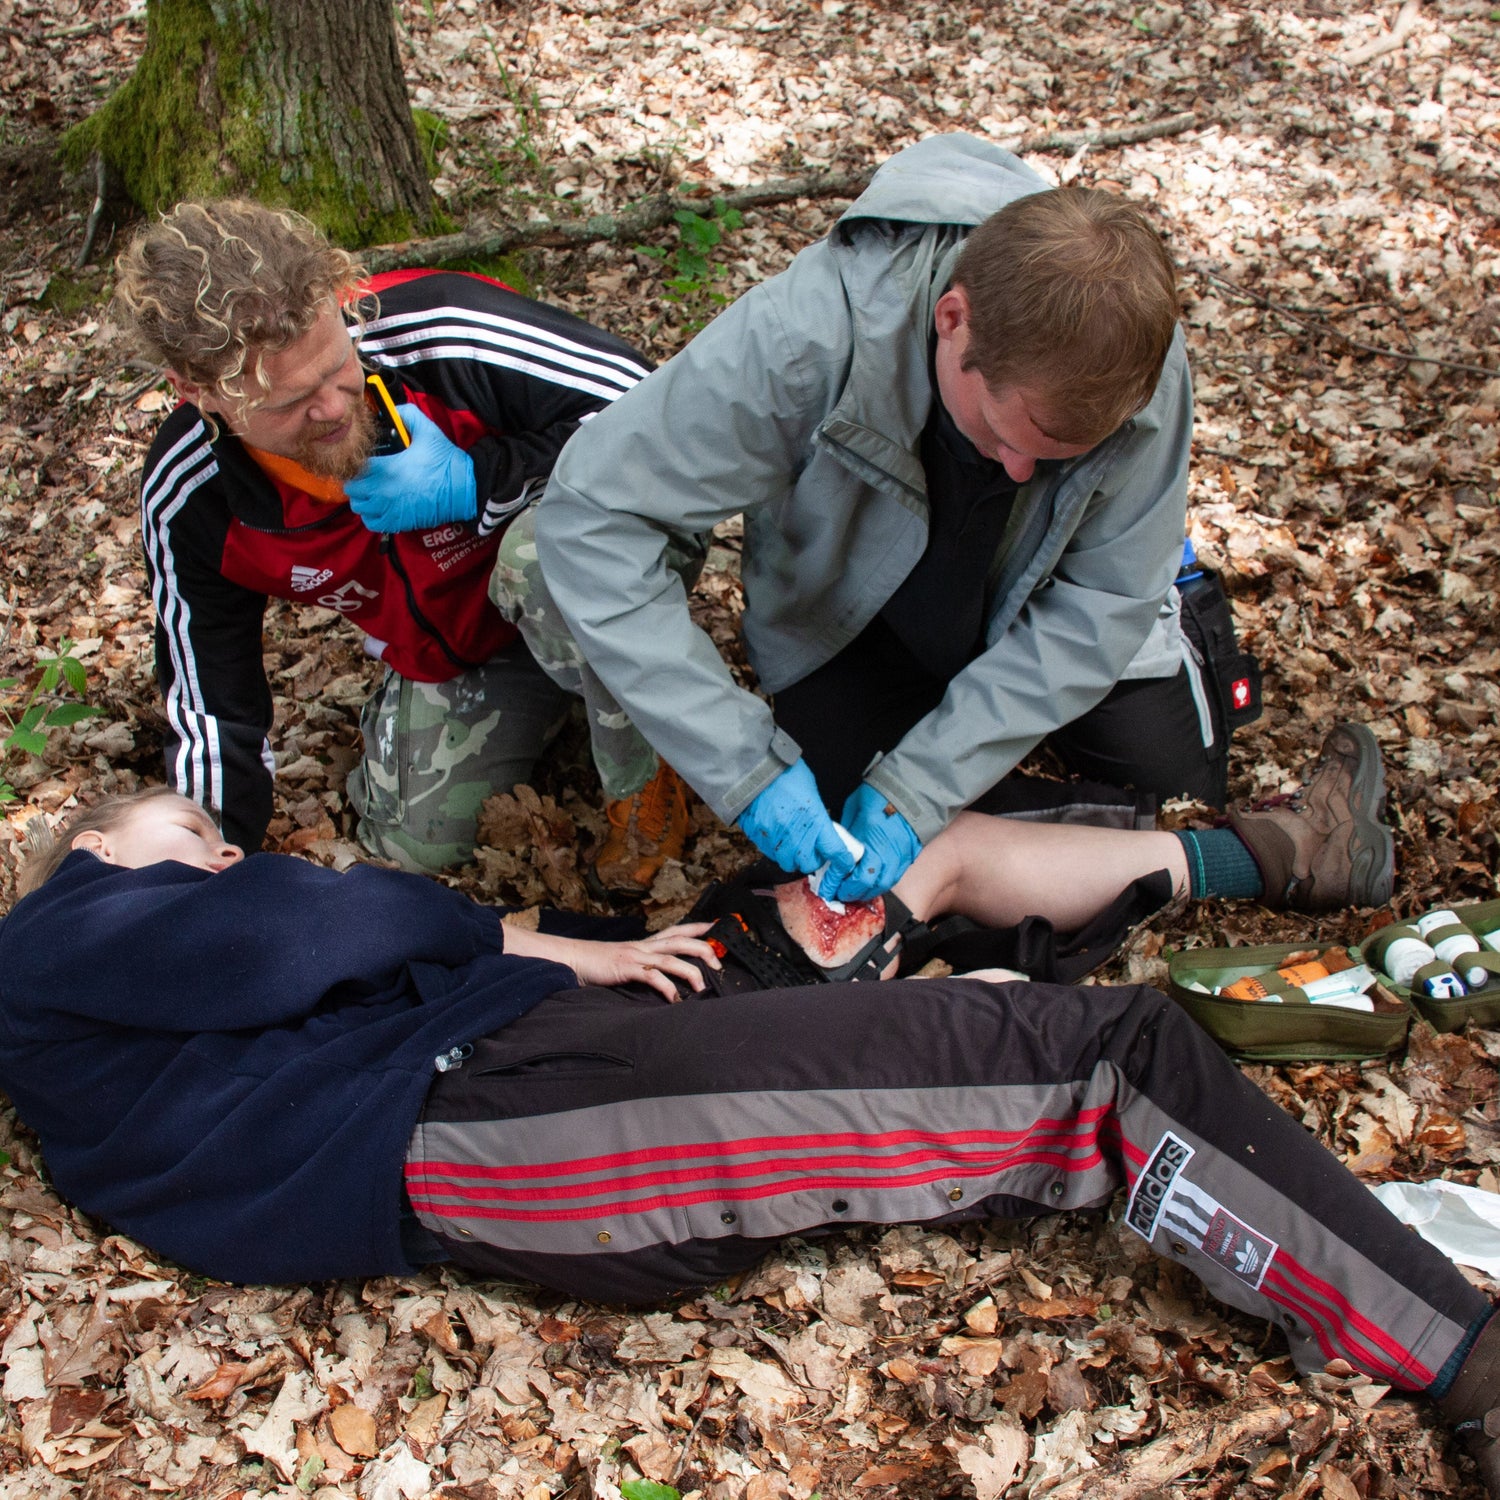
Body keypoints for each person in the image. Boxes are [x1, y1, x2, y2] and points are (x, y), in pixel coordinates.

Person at [0, 756, 1494, 1491]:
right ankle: (1467, 1364)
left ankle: (1145, 903)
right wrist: (416, 920)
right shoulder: (58, 937)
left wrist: (553, 949)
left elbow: (331, 945)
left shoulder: (130, 993)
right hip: (499, 1124)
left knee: (904, 963)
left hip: (520, 1062)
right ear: (89, 848)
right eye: (191, 835)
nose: (229, 851)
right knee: (1107, 1060)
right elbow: (294, 929)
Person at [494, 132, 1239, 904]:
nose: (1021, 471)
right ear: (955, 319)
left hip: (1043, 599)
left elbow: (1102, 602)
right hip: (858, 612)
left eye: (1058, 454)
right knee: (840, 845)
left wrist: (926, 785)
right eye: (1004, 434)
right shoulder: (808, 334)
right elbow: (593, 511)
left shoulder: (1136, 363)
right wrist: (744, 765)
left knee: (1177, 796)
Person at [113, 198, 689, 877]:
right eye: (290, 404)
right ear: (198, 392)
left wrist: (479, 480)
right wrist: (206, 867)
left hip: (598, 561)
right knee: (419, 845)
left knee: (541, 553)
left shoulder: (444, 329)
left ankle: (649, 763)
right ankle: (560, 701)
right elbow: (213, 703)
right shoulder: (194, 489)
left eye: (336, 368)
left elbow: (668, 415)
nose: (331, 407)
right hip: (464, 639)